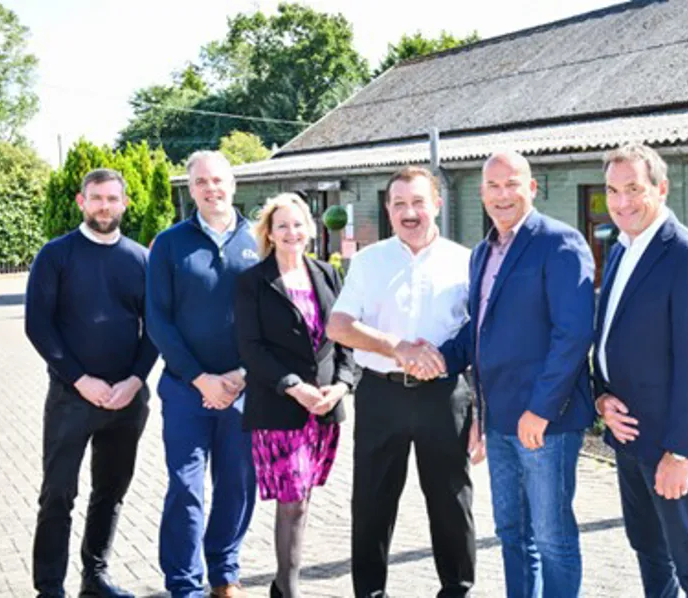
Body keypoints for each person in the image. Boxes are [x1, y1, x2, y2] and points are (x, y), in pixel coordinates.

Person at [428, 151, 596, 598]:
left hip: (546, 424)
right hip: (500, 420)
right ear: (482, 193)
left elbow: (574, 335)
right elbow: (479, 332)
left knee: (552, 536)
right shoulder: (483, 251)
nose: (502, 195)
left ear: (532, 188)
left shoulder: (560, 243)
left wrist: (540, 411)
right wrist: (436, 358)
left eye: (512, 184)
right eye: (493, 187)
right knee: (511, 532)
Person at [326, 166, 476, 598]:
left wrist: (476, 402)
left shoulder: (464, 260)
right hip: (381, 392)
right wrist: (399, 348)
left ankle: (456, 590)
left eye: (418, 202)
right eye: (399, 204)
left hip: (444, 397)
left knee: (452, 501)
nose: (410, 212)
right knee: (372, 502)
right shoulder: (370, 261)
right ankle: (370, 593)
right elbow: (339, 325)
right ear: (388, 209)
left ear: (438, 205)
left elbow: (478, 333)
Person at [592, 143, 688, 598]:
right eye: (613, 191)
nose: (622, 202)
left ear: (661, 188)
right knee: (649, 550)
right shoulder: (619, 249)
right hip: (628, 435)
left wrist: (680, 452)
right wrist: (600, 397)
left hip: (670, 443)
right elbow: (609, 334)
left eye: (634, 188)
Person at [25, 168, 158, 598]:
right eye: (96, 198)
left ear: (124, 203)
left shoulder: (140, 260)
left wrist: (136, 381)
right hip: (71, 399)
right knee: (58, 495)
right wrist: (81, 380)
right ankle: (49, 587)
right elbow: (38, 326)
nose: (104, 206)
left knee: (110, 493)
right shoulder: (56, 255)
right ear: (82, 202)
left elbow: (155, 329)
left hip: (126, 401)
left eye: (112, 198)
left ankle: (95, 577)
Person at [146, 150, 260, 598]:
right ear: (189, 189)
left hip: (245, 390)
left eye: (218, 180)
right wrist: (200, 379)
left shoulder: (260, 239)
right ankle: (184, 583)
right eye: (200, 182)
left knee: (237, 486)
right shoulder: (170, 244)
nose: (211, 188)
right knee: (186, 488)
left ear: (233, 184)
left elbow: (277, 315)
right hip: (185, 391)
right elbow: (158, 321)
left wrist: (243, 375)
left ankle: (224, 574)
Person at [234, 194, 356, 598]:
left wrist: (342, 384)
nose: (292, 233)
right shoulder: (252, 282)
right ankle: (288, 589)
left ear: (310, 229)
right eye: (282, 225)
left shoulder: (327, 274)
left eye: (299, 224)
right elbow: (251, 348)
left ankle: (281, 585)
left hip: (323, 407)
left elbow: (344, 339)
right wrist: (292, 386)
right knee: (293, 500)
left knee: (303, 498)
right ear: (269, 232)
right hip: (279, 408)